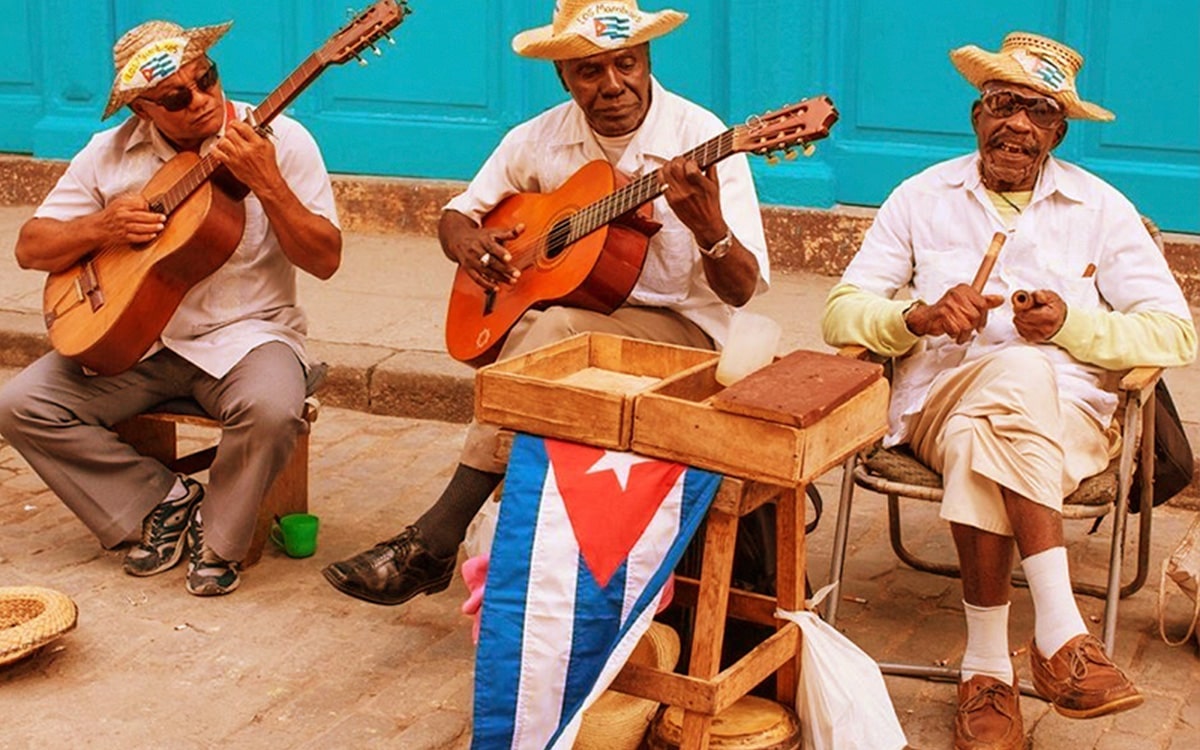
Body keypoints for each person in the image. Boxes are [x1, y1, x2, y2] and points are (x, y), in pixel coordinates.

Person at [323, 0, 769, 606]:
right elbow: (457, 215)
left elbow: (741, 289)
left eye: (626, 64)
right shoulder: (537, 138)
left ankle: (438, 535)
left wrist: (709, 228)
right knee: (545, 327)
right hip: (583, 321)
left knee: (551, 328)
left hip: (685, 334)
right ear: (564, 76)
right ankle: (523, 561)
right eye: (590, 72)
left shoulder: (702, 139)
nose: (613, 86)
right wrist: (468, 244)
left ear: (647, 61)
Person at [821, 32, 1196, 750]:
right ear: (976, 113)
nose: (1018, 124)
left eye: (1040, 111)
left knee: (992, 425)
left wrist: (1072, 325)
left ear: (1060, 130)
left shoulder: (1100, 208)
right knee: (1013, 380)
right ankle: (1063, 637)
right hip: (937, 404)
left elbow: (1176, 335)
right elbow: (841, 310)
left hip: (1066, 423)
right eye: (1004, 103)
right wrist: (914, 317)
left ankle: (987, 671)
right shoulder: (921, 197)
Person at [0, 19, 342, 596]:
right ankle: (162, 499)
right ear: (142, 111)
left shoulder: (284, 140)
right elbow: (31, 246)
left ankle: (221, 541)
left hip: (247, 336)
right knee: (20, 403)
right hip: (139, 343)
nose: (203, 101)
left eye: (207, 79)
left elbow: (326, 259)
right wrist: (101, 225)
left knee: (272, 408)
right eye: (177, 98)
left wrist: (269, 184)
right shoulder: (107, 156)